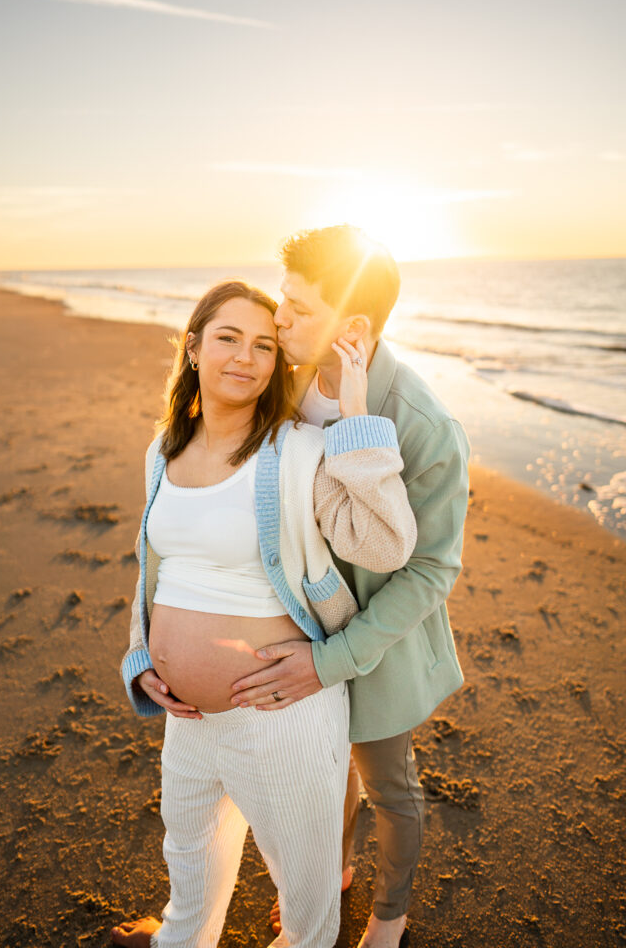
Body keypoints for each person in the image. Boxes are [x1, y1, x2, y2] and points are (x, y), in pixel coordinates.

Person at [110, 280, 417, 948]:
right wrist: (143, 659)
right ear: (192, 348)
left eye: (263, 345)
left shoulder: (300, 450)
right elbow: (157, 572)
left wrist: (355, 415)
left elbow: (386, 545)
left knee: (304, 896)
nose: (246, 357)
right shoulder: (161, 450)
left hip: (280, 715)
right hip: (187, 719)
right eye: (226, 338)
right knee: (188, 858)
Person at [228, 227, 470, 948]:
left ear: (352, 328)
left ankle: (388, 913)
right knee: (323, 774)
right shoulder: (286, 379)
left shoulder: (425, 427)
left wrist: (334, 660)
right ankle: (331, 870)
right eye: (281, 301)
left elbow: (430, 571)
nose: (278, 321)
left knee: (387, 784)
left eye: (297, 309)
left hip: (378, 645)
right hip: (293, 620)